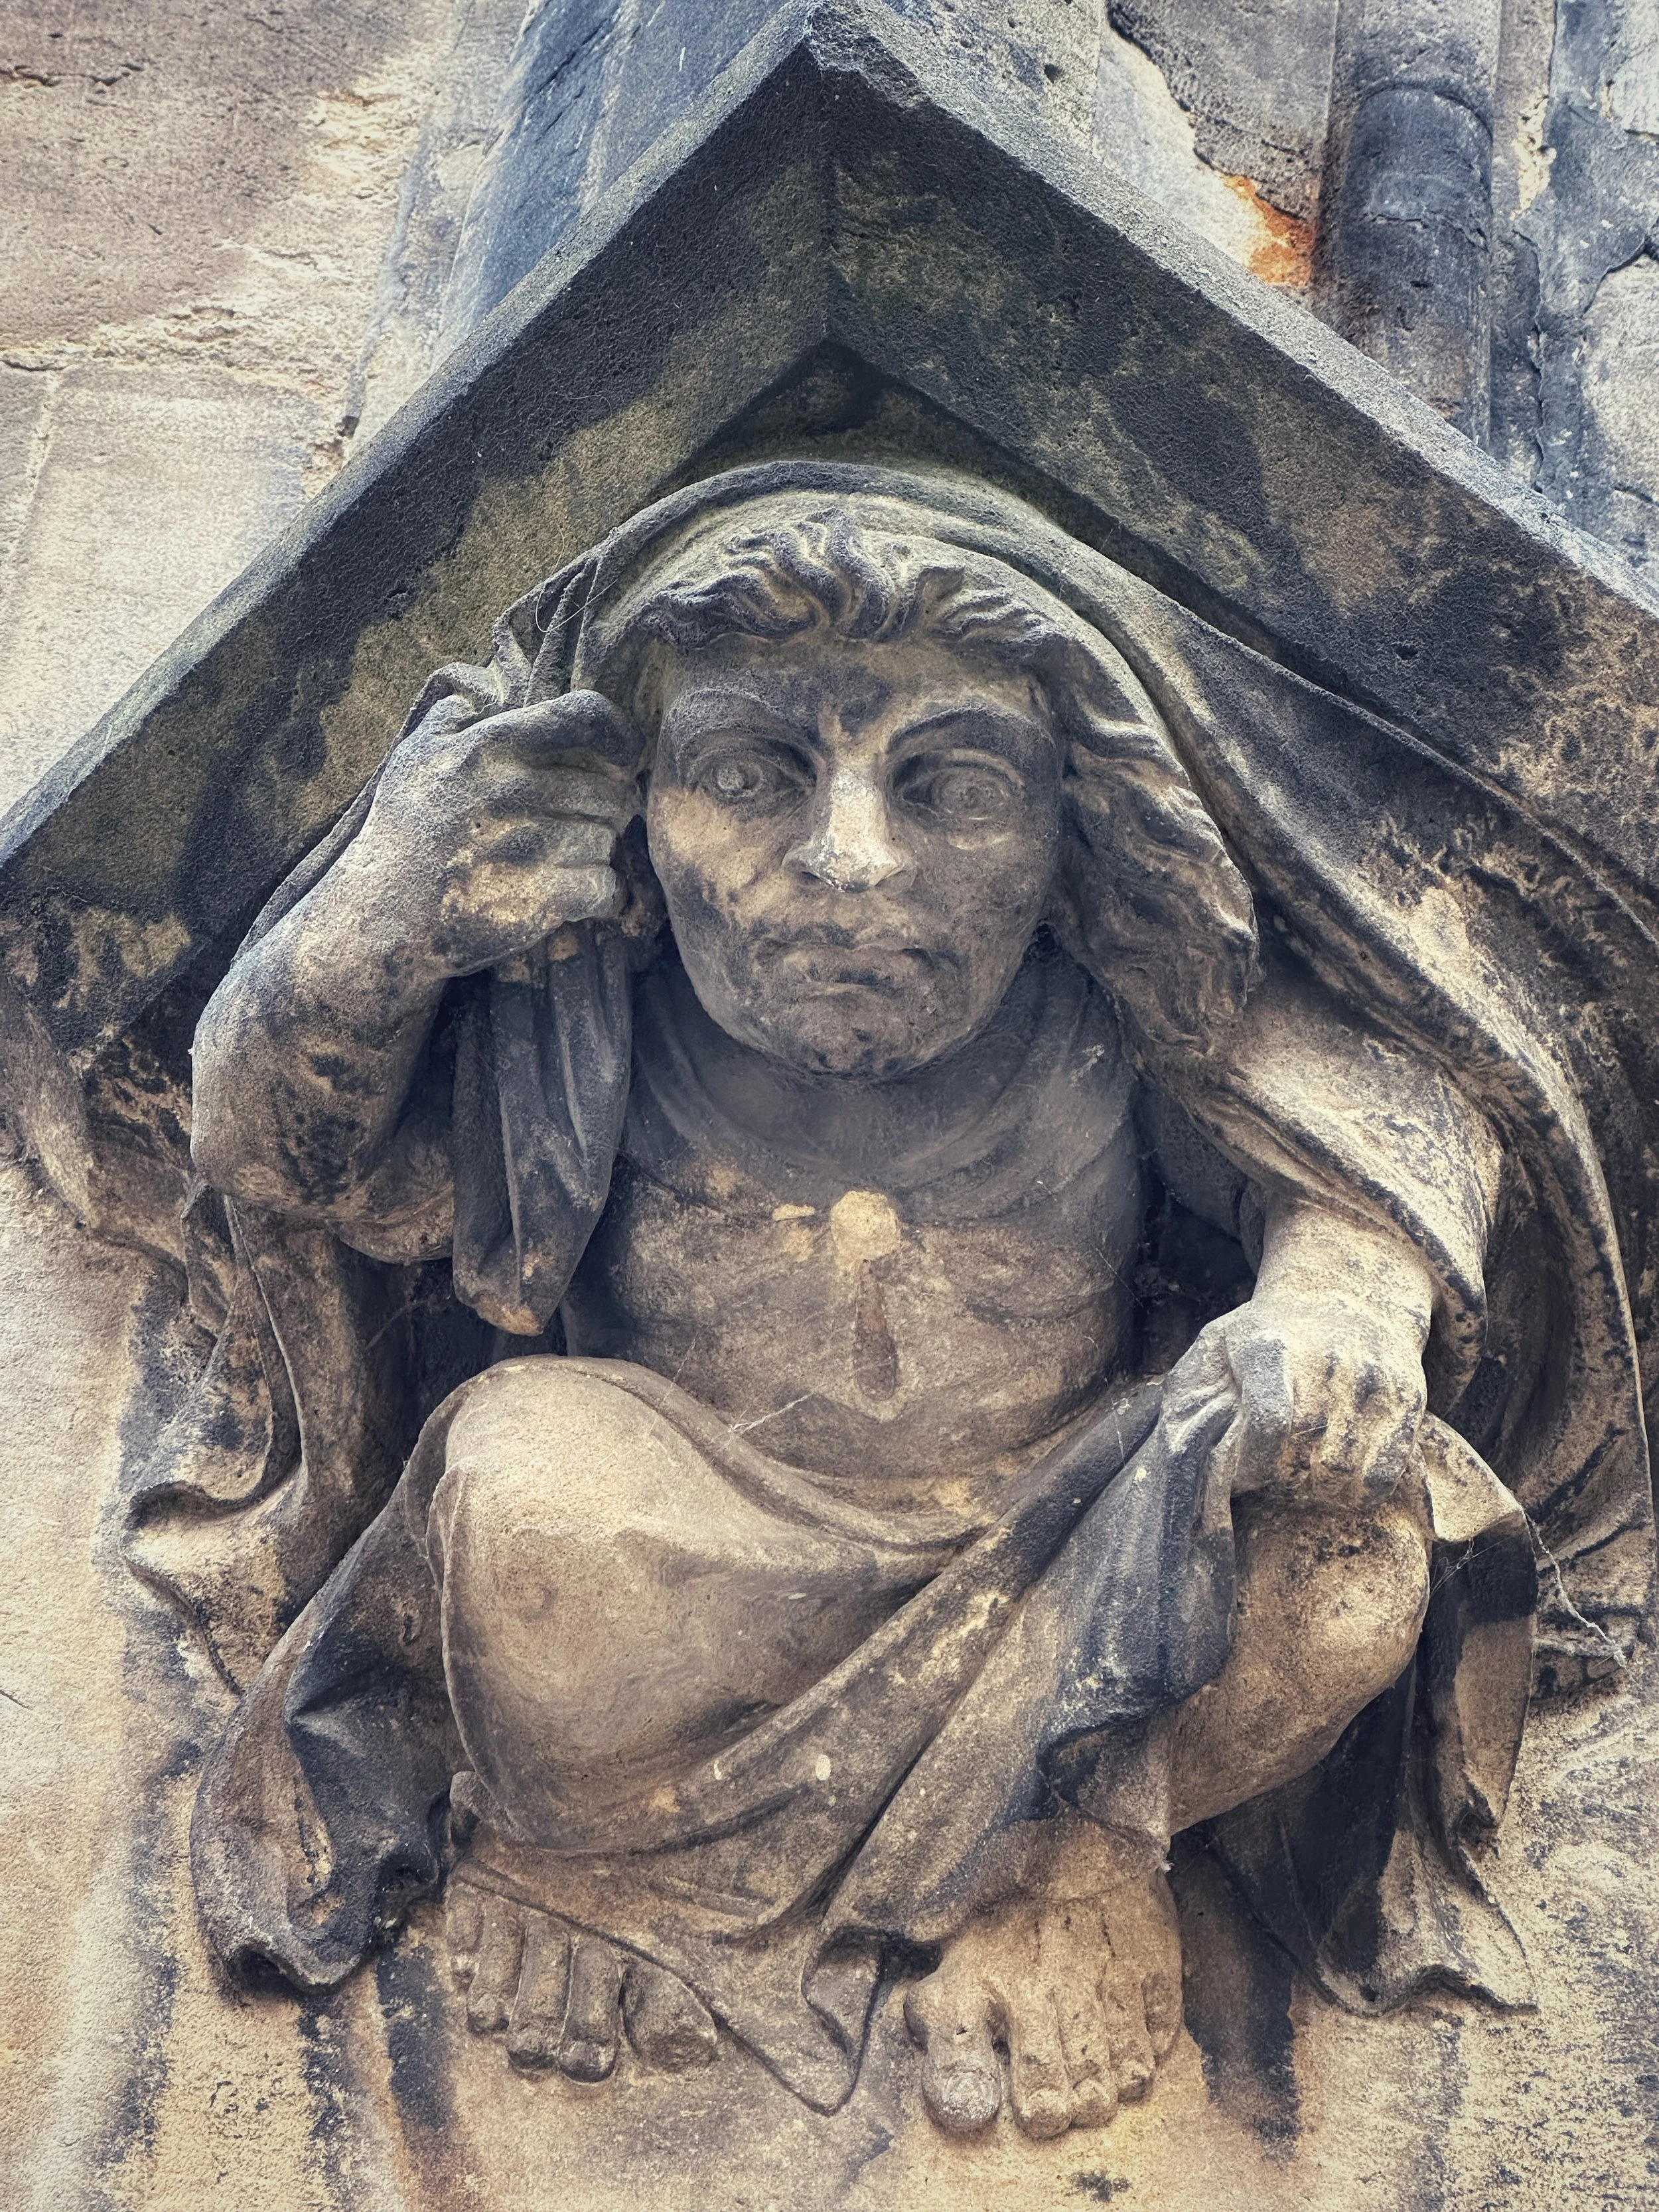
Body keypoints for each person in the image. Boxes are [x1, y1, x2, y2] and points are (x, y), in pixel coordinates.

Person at [155, 464, 1652, 2134]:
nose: (850, 860)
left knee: (1352, 1543)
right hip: (692, 1570)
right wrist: (375, 920)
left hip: (1073, 1585)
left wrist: (1340, 1303)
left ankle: (1078, 1852)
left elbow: (1389, 1130)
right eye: (746, 773)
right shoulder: (588, 1028)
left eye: (948, 784)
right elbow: (295, 1162)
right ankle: (607, 1854)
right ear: (632, 809)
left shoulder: (1114, 1010)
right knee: (519, 1487)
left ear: (1076, 822)